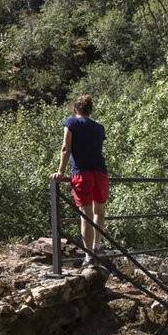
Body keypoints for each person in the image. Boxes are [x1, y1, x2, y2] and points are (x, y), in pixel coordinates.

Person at [50, 94, 108, 267]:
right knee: (99, 210)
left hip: (82, 172)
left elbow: (66, 147)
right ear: (90, 110)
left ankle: (89, 256)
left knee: (86, 214)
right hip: (101, 172)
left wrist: (60, 171)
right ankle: (96, 247)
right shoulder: (99, 127)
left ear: (75, 109)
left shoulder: (71, 123)